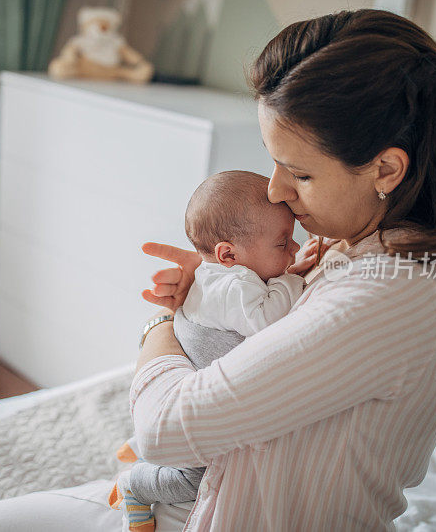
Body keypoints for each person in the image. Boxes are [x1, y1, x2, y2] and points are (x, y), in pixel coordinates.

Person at [0, 8, 436, 531]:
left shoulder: (393, 295)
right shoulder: (364, 249)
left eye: (300, 174)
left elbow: (164, 430)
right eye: (274, 162)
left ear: (385, 169)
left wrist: (163, 327)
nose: (275, 190)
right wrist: (221, 283)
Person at [107, 171, 305, 532]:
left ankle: (135, 446)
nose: (294, 250)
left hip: (196, 369)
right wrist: (295, 279)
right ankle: (136, 484)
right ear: (228, 254)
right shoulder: (236, 284)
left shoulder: (216, 276)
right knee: (196, 480)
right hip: (190, 406)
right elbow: (268, 319)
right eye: (283, 243)